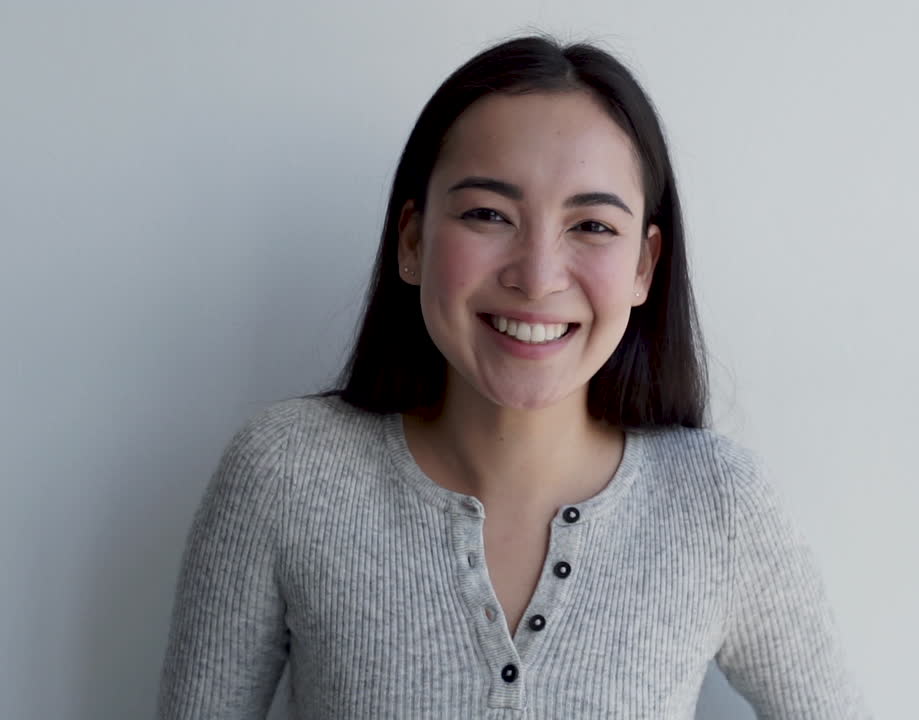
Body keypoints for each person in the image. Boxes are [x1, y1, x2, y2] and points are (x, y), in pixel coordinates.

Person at [156, 34, 872, 719]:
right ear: (413, 240)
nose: (536, 276)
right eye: (488, 214)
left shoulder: (719, 507)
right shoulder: (284, 475)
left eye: (592, 226)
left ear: (644, 266)